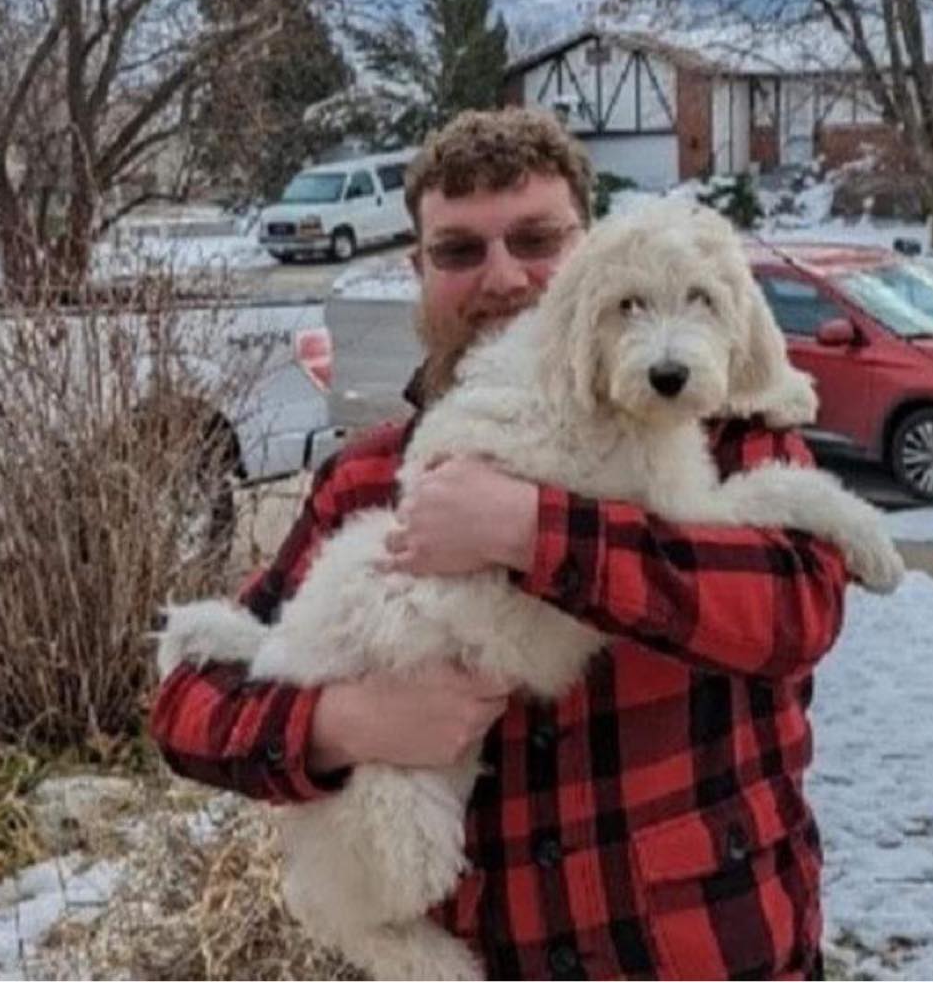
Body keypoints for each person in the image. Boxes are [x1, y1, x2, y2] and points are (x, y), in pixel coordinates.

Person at [151, 107, 849, 980]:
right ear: (418, 271)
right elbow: (188, 708)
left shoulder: (713, 424)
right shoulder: (371, 479)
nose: (504, 277)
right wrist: (344, 723)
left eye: (536, 239)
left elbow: (796, 606)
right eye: (458, 251)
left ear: (592, 253)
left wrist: (525, 528)